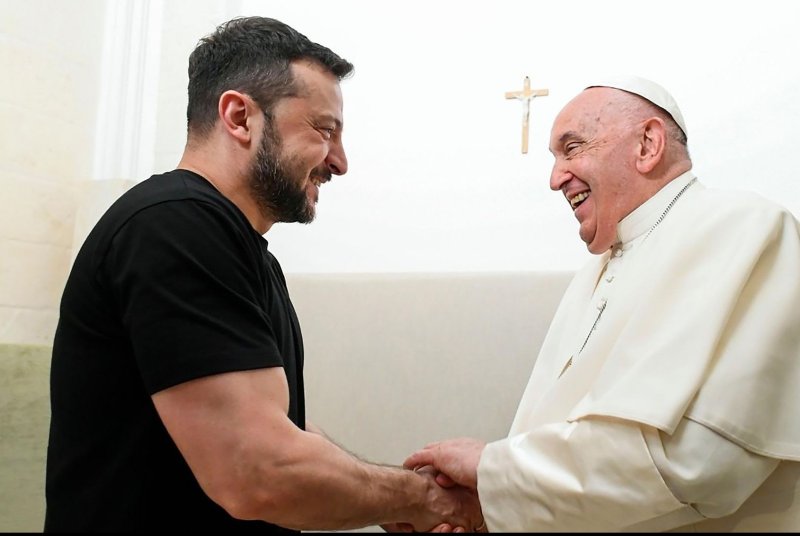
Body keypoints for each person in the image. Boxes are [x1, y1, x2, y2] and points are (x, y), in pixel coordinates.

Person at [44, 16, 481, 533]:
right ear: (239, 116)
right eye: (324, 129)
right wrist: (420, 500)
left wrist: (384, 499)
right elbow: (261, 470)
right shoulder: (173, 226)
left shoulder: (239, 247)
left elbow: (278, 428)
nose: (339, 162)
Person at [405, 76, 800, 532]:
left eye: (571, 148)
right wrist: (490, 506)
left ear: (648, 144)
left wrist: (493, 473)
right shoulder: (592, 273)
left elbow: (701, 463)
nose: (555, 179)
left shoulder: (746, 228)